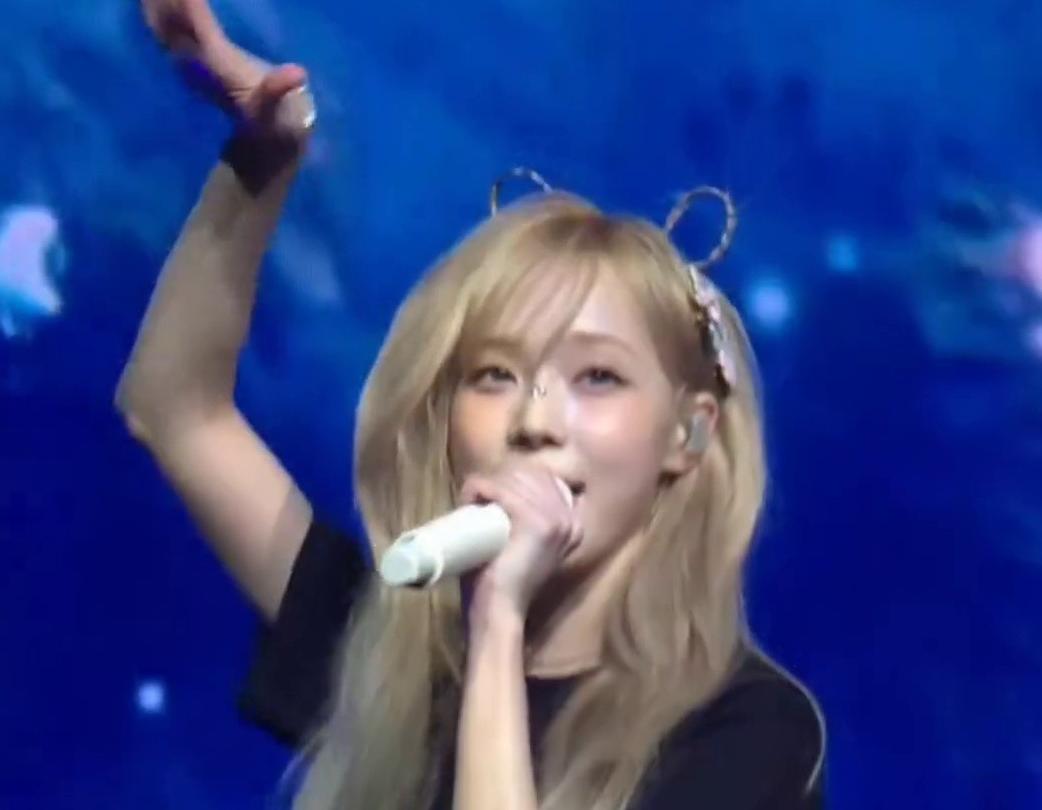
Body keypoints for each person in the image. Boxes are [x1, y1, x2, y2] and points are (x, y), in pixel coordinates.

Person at [115, 1, 825, 807]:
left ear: (688, 434)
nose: (535, 422)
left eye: (598, 377)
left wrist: (499, 626)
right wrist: (264, 157)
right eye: (494, 375)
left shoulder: (748, 732)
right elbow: (174, 409)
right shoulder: (385, 653)